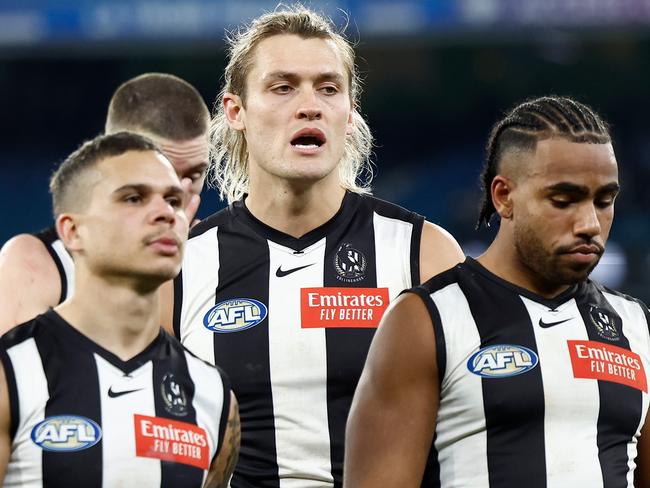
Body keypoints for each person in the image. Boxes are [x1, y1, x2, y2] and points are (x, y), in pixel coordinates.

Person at [163, 5, 464, 487]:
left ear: (348, 114)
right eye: (283, 87)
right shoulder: (180, 267)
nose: (309, 105)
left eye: (328, 88)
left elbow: (476, 432)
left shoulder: (423, 252)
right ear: (235, 111)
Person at [344, 96, 650, 487]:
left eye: (604, 201)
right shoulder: (425, 320)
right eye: (563, 200)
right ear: (503, 196)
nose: (590, 222)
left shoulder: (637, 326)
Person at [0, 132, 239, 487]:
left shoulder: (212, 393)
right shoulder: (10, 375)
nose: (165, 214)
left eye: (173, 201)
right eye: (133, 198)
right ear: (73, 231)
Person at [0, 73, 208, 333]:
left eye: (194, 175)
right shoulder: (39, 263)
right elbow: (20, 369)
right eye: (155, 170)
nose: (175, 193)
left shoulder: (217, 256)